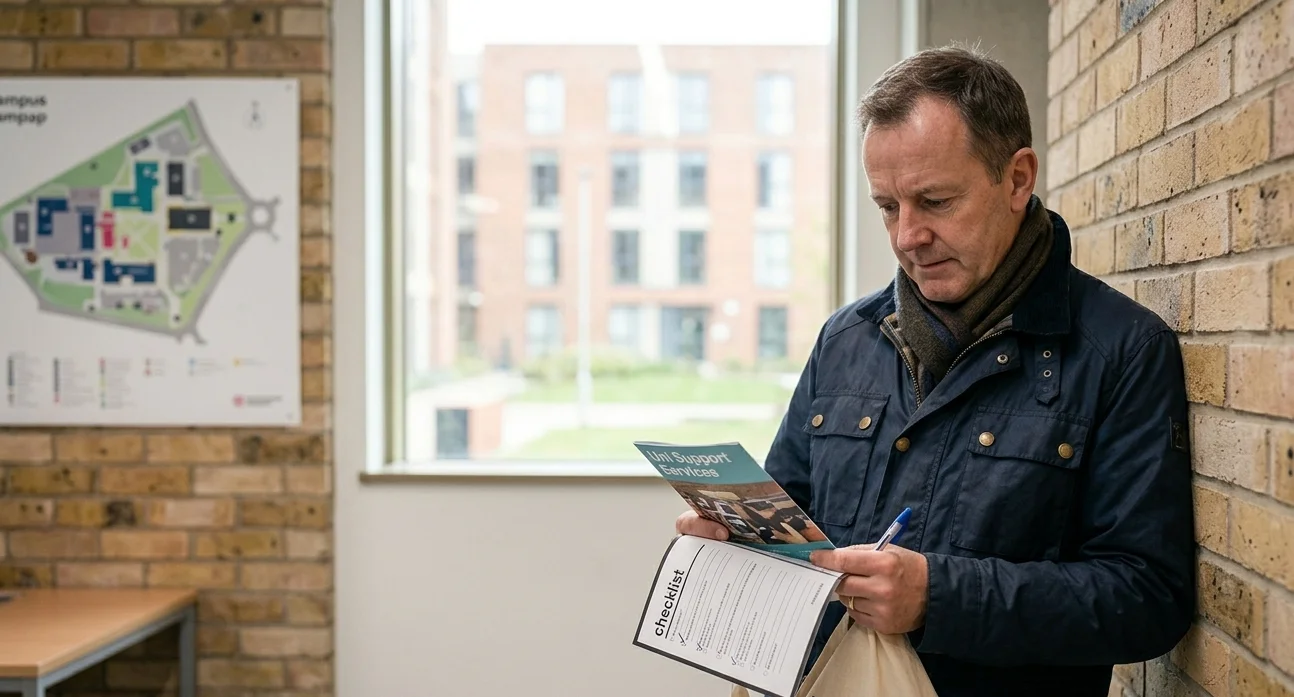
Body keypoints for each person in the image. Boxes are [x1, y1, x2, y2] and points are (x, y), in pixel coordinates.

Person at [676, 45, 1195, 696]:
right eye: (888, 206)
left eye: (935, 200)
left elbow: (1149, 597)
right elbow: (793, 525)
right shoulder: (844, 340)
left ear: (1017, 179)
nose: (906, 236)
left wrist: (940, 597)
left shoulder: (1123, 350)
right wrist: (738, 548)